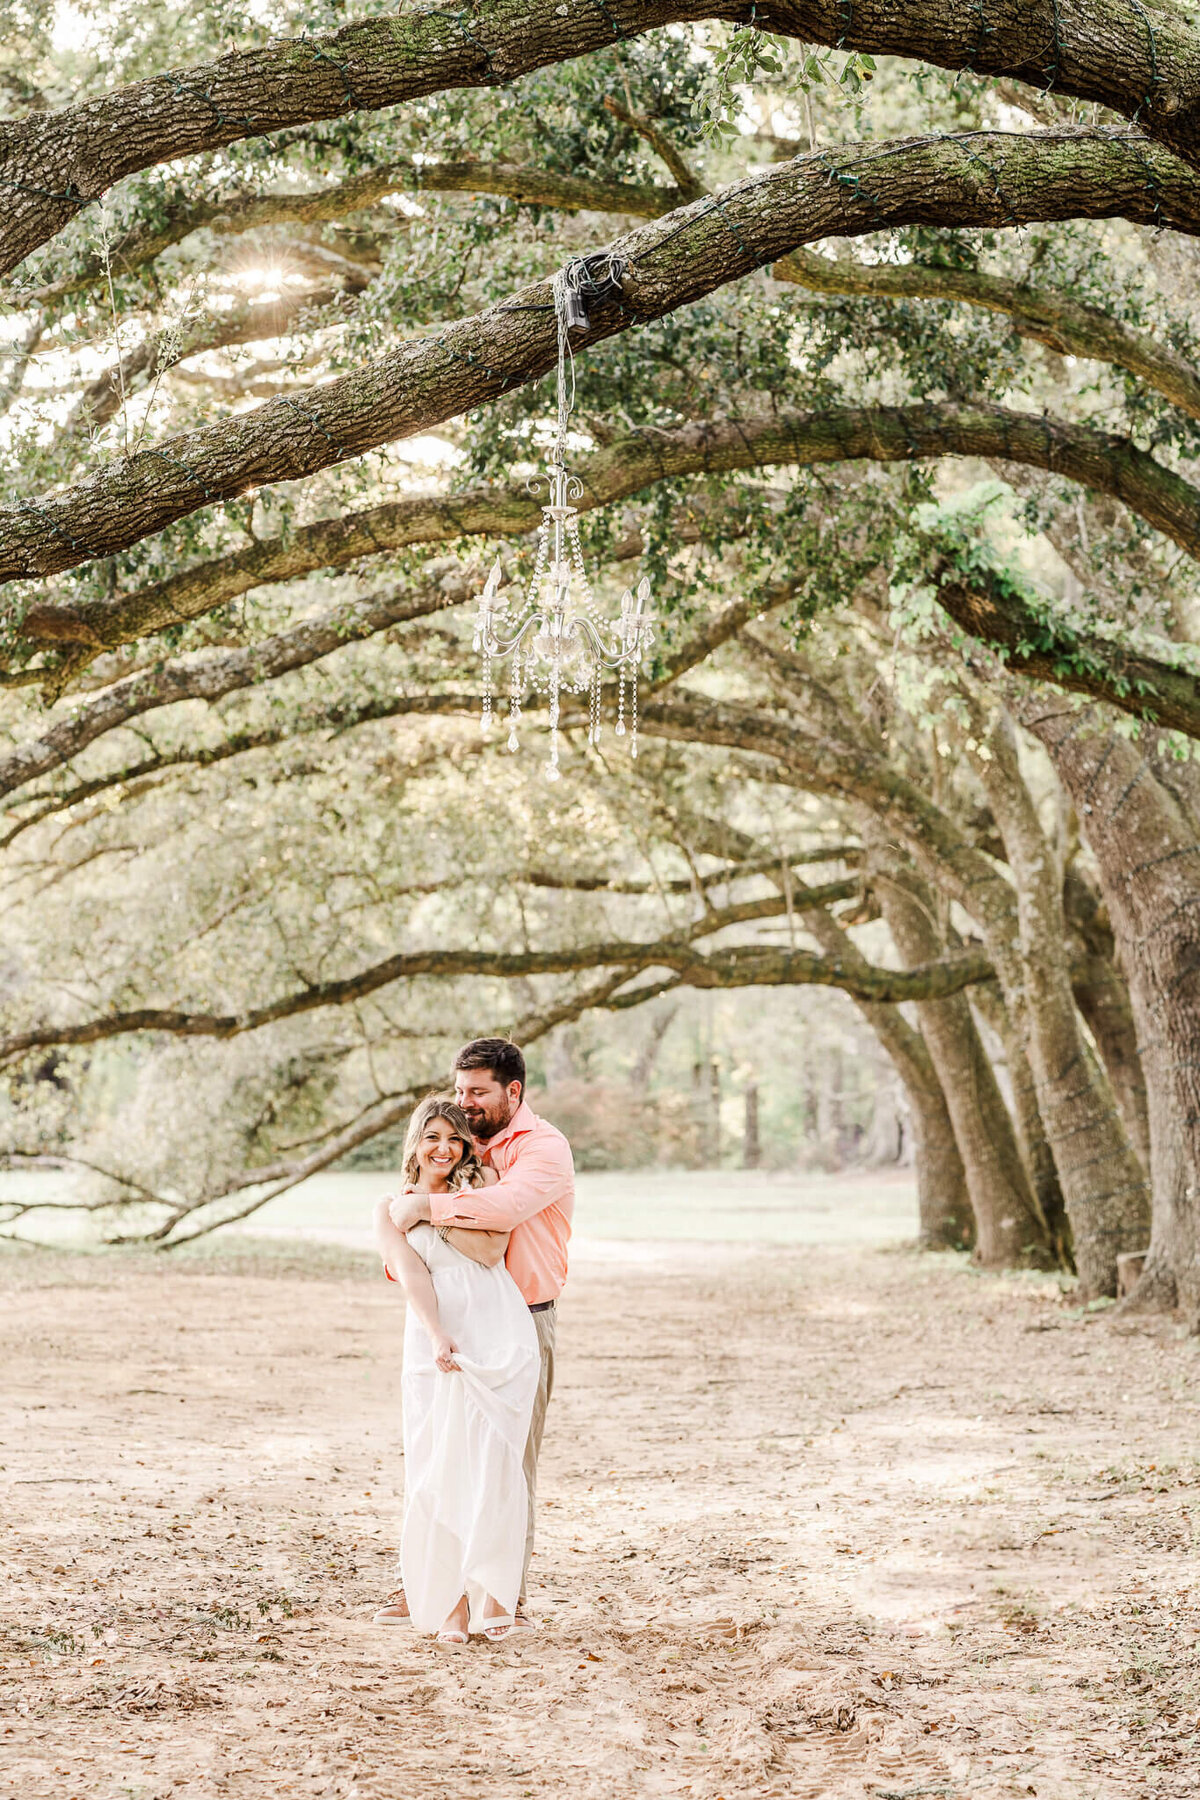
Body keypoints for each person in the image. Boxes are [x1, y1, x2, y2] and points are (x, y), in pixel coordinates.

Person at [373, 1037, 575, 1635]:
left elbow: (504, 1211)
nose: (466, 1105)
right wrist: (405, 1222)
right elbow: (406, 1252)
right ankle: (432, 1582)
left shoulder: (543, 1148)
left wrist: (421, 1212)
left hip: (523, 1315)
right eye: (460, 1092)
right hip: (451, 1319)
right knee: (441, 1451)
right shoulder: (465, 1147)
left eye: (478, 1093)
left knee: (508, 1457)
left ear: (513, 1091)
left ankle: (503, 1592)